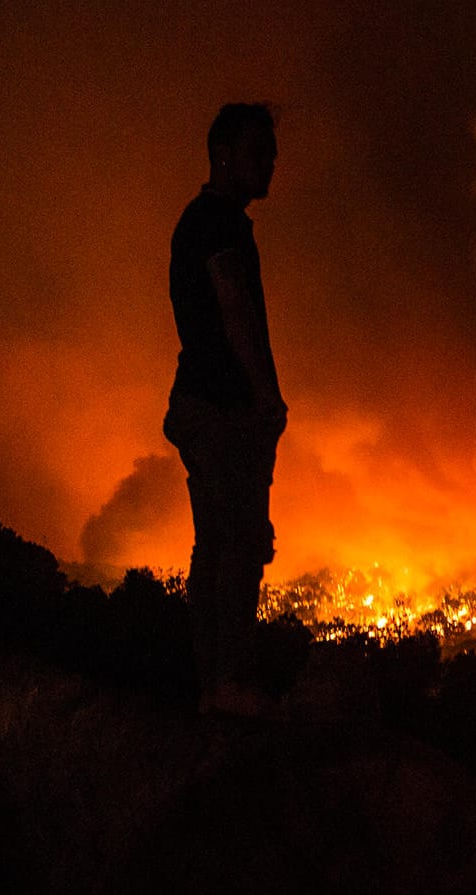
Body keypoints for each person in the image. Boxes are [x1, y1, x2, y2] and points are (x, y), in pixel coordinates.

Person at [162, 103, 286, 717]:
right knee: (238, 545)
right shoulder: (220, 226)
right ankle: (231, 683)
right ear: (223, 154)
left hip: (198, 405)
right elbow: (236, 310)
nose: (269, 163)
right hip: (223, 410)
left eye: (272, 152)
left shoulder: (199, 221)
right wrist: (266, 395)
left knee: (214, 546)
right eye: (258, 150)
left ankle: (213, 686)